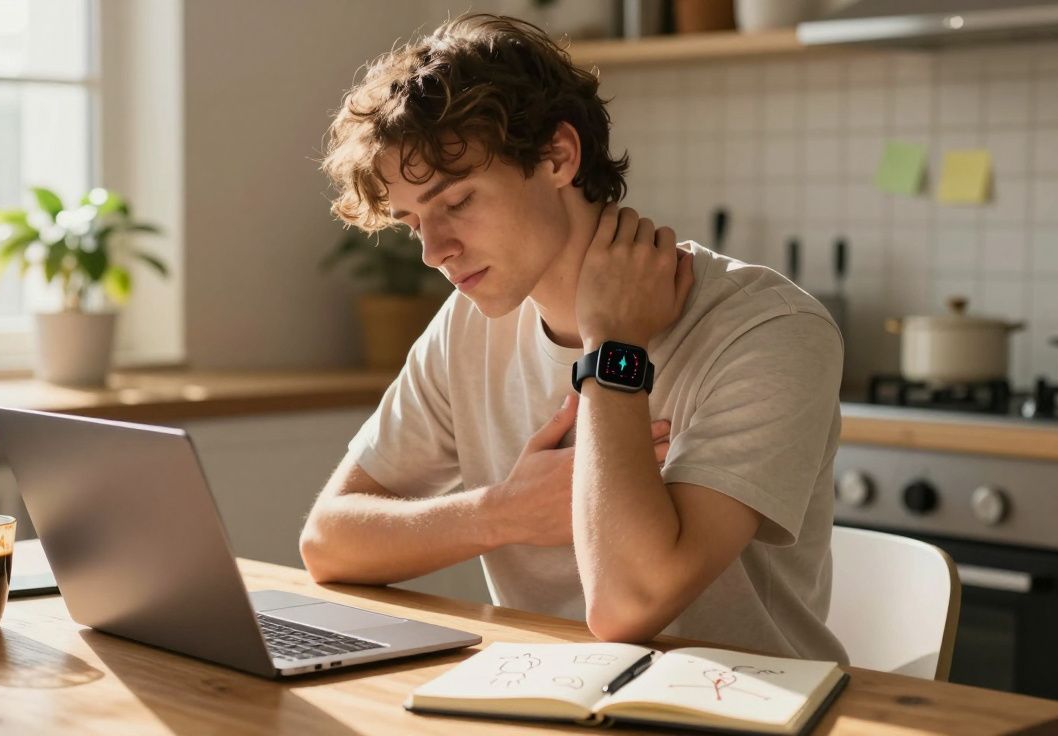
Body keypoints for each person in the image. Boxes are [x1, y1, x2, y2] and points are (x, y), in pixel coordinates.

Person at [300, 13, 847, 663]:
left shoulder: (769, 330)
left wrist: (613, 343)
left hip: (743, 711)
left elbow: (625, 605)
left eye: (457, 201)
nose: (433, 251)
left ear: (558, 156)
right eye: (413, 220)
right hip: (544, 696)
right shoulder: (469, 323)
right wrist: (502, 512)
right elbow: (328, 541)